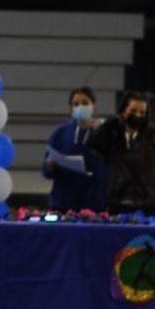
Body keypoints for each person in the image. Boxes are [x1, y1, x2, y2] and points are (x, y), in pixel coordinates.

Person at [87, 89, 155, 216]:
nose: (138, 116)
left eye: (142, 112)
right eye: (133, 111)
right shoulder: (113, 135)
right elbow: (93, 142)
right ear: (124, 111)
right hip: (117, 203)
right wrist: (113, 121)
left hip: (148, 204)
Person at [41, 85, 107, 214]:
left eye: (85, 103)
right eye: (76, 104)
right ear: (71, 108)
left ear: (93, 105)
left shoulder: (104, 133)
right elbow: (46, 171)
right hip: (63, 202)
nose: (80, 107)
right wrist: (50, 166)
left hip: (95, 204)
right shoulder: (60, 133)